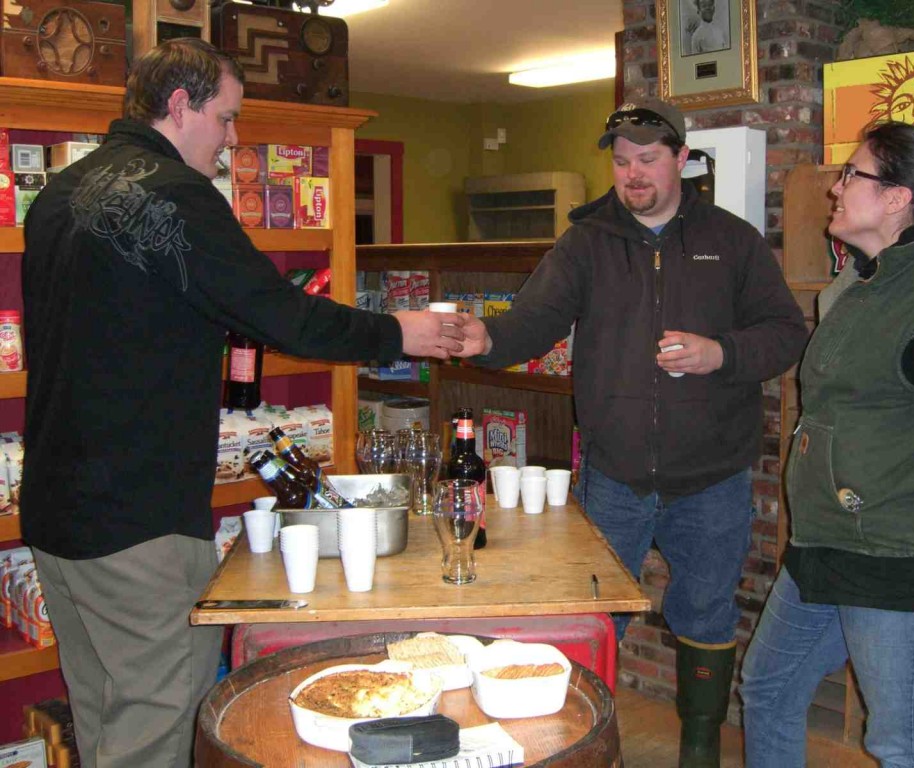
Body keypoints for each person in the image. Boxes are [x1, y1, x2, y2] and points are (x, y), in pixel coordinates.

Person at [19, 38, 465, 768]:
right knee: (161, 720)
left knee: (100, 710)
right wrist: (398, 332)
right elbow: (281, 315)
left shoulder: (62, 193)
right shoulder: (177, 195)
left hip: (54, 509)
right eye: (226, 118)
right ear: (178, 106)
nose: (232, 140)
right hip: (136, 519)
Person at [453, 97, 807, 767]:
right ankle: (584, 749)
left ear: (682, 159)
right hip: (613, 476)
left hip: (713, 478)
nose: (633, 174)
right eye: (621, 162)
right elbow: (534, 320)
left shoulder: (732, 240)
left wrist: (720, 353)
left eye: (647, 159)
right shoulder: (586, 241)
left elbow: (786, 333)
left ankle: (698, 751)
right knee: (592, 620)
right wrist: (486, 338)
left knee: (706, 614)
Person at [739, 121, 914, 767]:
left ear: (897, 198)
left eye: (852, 174)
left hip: (904, 564)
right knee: (769, 689)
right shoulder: (867, 283)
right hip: (827, 547)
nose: (835, 188)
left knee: (903, 745)